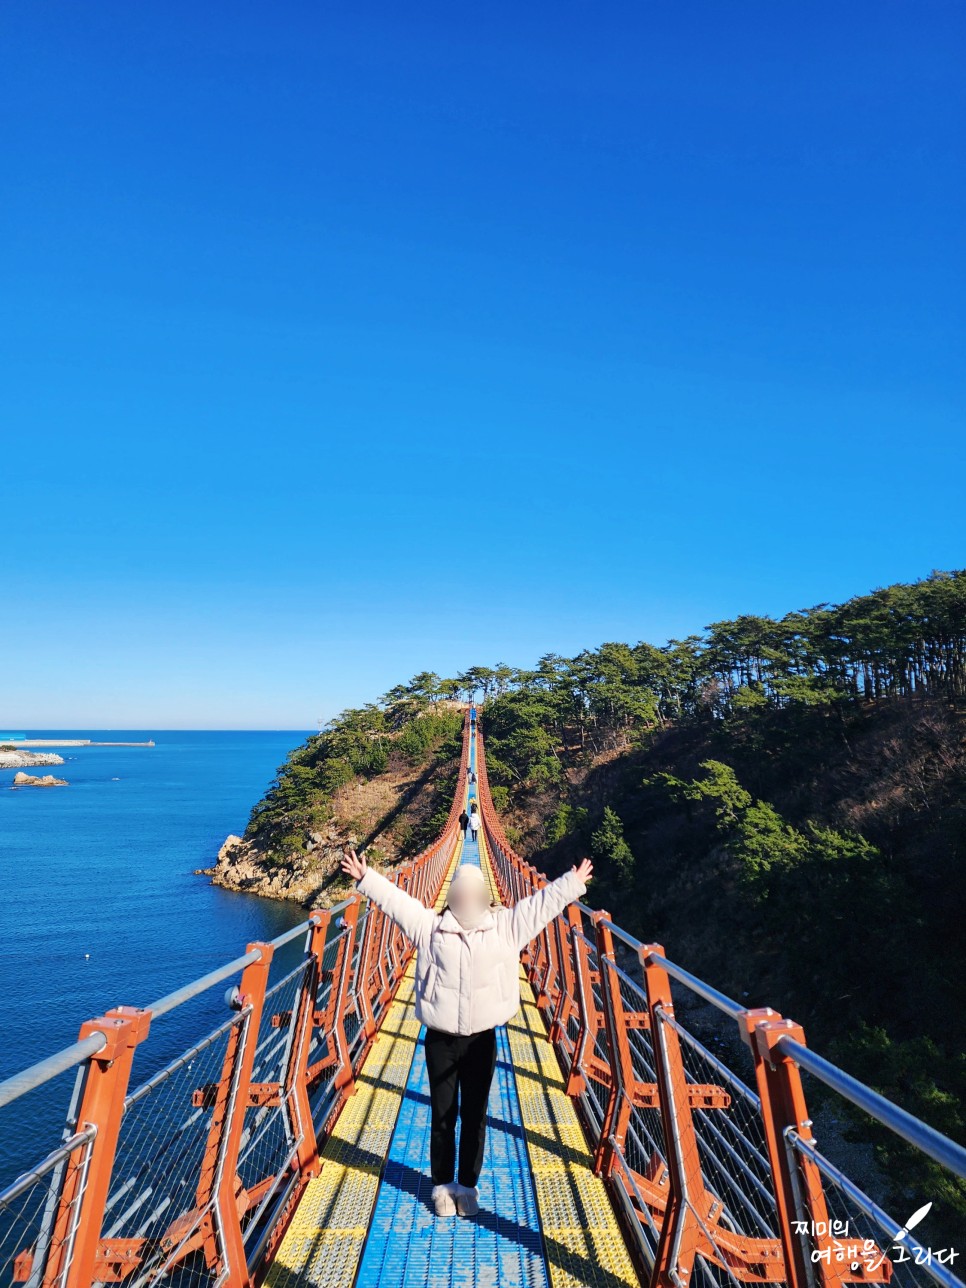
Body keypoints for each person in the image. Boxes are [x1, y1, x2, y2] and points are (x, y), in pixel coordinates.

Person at [340, 846, 593, 1218]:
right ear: (452, 896)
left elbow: (541, 906)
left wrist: (571, 884)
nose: (466, 900)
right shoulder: (431, 927)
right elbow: (397, 903)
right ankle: (442, 1187)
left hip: (481, 1040)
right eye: (460, 894)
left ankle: (468, 1187)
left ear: (485, 898)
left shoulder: (505, 927)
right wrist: (366, 878)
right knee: (443, 1114)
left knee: (475, 1116)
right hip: (441, 1040)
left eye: (473, 894)